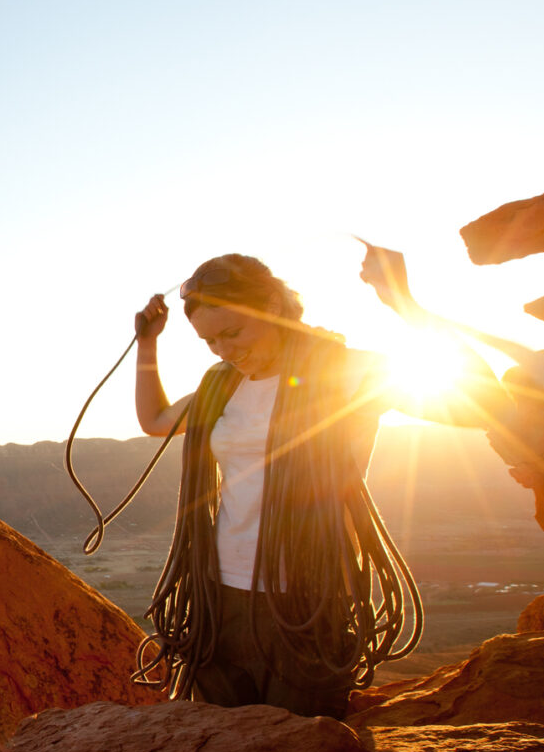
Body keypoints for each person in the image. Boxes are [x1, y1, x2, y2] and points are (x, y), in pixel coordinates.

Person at [131, 243, 509, 718]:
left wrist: (405, 305)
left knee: (300, 741)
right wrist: (148, 344)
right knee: (225, 738)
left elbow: (488, 403)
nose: (226, 351)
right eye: (211, 342)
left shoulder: (346, 371)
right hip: (219, 594)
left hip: (307, 596)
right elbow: (156, 420)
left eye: (233, 332)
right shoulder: (223, 384)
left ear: (272, 307)